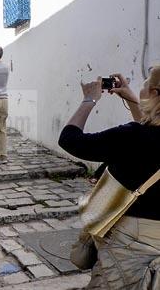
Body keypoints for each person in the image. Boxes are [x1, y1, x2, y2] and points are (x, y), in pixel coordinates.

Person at [59, 66, 160, 289]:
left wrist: (89, 100)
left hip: (131, 240)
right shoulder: (139, 136)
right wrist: (133, 100)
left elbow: (70, 139)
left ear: (154, 93)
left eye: (144, 84)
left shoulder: (132, 136)